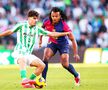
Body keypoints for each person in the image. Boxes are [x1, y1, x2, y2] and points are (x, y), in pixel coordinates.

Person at [0, 9, 70, 88]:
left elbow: (52, 34)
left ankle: (28, 82)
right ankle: (24, 79)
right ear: (29, 18)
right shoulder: (21, 25)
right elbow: (10, 31)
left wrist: (65, 33)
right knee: (22, 58)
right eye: (34, 18)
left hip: (28, 54)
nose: (36, 20)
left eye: (37, 18)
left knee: (42, 65)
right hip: (19, 52)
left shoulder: (37, 29)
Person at [39, 7, 80, 86]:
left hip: (63, 44)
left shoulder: (64, 25)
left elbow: (73, 39)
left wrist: (75, 53)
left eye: (56, 16)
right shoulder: (46, 21)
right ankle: (43, 80)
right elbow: (42, 29)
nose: (54, 18)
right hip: (52, 43)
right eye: (53, 16)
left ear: (60, 16)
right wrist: (40, 39)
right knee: (45, 56)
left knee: (65, 63)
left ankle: (76, 75)